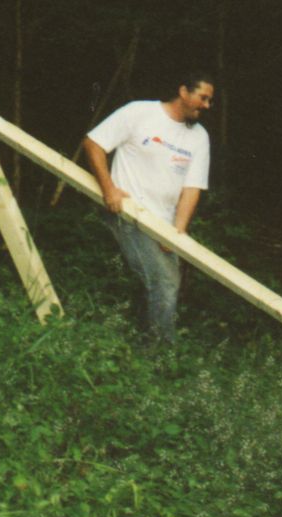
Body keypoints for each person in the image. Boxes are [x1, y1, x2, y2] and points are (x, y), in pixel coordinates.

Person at [82, 73, 215, 342]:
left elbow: (192, 188)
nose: (207, 105)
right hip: (128, 213)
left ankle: (140, 343)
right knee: (165, 282)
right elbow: (93, 143)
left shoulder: (199, 137)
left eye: (210, 101)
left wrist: (176, 232)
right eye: (203, 98)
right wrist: (109, 189)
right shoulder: (139, 112)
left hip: (163, 224)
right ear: (183, 91)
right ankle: (161, 351)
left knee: (164, 282)